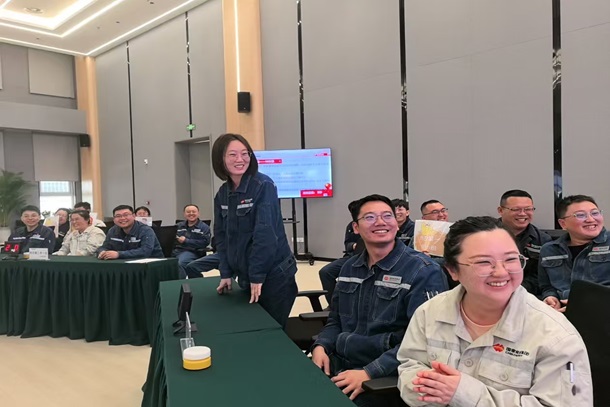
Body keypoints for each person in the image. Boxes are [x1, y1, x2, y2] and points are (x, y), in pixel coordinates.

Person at [397, 216, 593, 407]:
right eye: (483, 262)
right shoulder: (429, 312)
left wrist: (463, 394)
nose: (500, 272)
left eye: (511, 259)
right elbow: (409, 367)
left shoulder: (556, 336)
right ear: (452, 270)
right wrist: (429, 388)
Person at [311, 194, 448, 407]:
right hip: (341, 364)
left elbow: (426, 341)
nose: (380, 222)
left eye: (387, 216)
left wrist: (369, 373)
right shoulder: (349, 268)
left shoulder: (423, 271)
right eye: (370, 217)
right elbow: (336, 320)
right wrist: (321, 345)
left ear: (397, 223)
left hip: (385, 375)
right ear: (356, 228)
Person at [211, 133, 297, 328]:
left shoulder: (263, 185)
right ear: (220, 159)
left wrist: (257, 276)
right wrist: (225, 272)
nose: (240, 159)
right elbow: (222, 237)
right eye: (232, 154)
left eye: (245, 153)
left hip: (273, 276)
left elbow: (265, 235)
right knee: (250, 329)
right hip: (246, 274)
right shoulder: (222, 194)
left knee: (270, 333)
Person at [539, 194, 610, 312]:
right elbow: (546, 287)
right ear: (563, 224)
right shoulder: (549, 250)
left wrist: (586, 303)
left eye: (595, 213)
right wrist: (550, 298)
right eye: (581, 215)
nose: (590, 219)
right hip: (561, 314)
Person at [497, 189, 551, 296]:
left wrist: (515, 290)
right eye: (516, 209)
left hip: (525, 294)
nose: (522, 214)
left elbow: (540, 276)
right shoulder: (483, 235)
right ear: (501, 210)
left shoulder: (543, 240)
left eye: (528, 209)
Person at [318, 201, 363, 304]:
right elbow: (347, 245)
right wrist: (354, 245)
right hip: (352, 256)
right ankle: (333, 304)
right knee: (325, 272)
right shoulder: (351, 226)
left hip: (369, 258)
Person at [96, 204, 163, 260]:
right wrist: (102, 252)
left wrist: (119, 254)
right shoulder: (112, 230)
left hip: (151, 264)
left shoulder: (146, 230)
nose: (122, 218)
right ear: (114, 219)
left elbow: (145, 251)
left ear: (134, 216)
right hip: (124, 263)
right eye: (118, 216)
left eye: (126, 215)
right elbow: (105, 246)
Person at [173, 204, 211, 278]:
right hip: (176, 251)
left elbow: (205, 242)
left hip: (193, 252)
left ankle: (180, 283)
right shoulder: (178, 226)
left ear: (198, 213)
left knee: (180, 263)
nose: (191, 214)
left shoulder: (204, 227)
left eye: (193, 212)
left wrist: (186, 241)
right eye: (188, 212)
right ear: (184, 214)